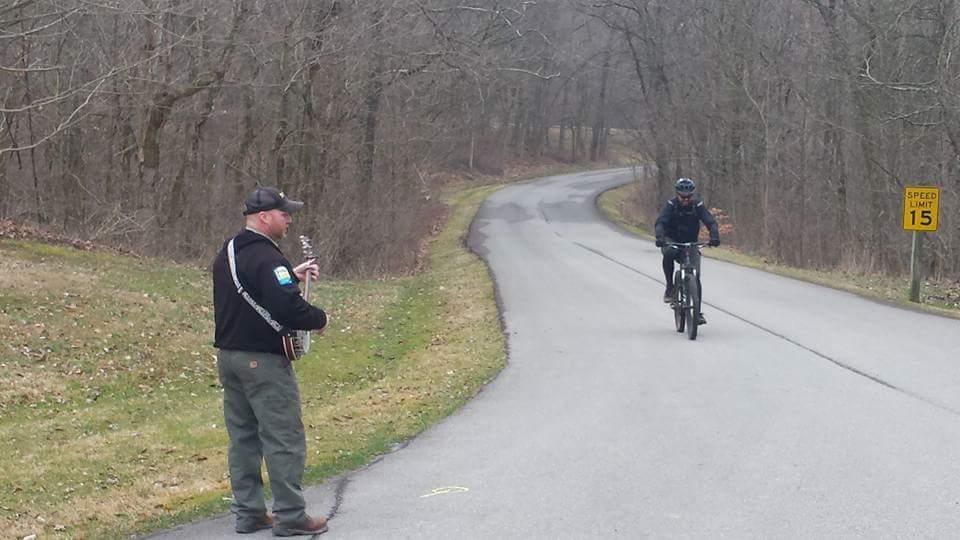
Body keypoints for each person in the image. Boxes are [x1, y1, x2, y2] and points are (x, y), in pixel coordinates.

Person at [211, 186, 329, 536]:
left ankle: (249, 513)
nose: (289, 218)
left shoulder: (229, 251)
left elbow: (247, 288)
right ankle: (291, 516)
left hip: (230, 359)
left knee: (243, 438)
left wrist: (290, 275)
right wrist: (319, 318)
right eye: (283, 213)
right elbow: (287, 308)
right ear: (264, 217)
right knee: (283, 437)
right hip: (262, 362)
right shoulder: (268, 257)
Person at [654, 177, 720, 324]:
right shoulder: (671, 205)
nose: (685, 200)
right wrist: (660, 237)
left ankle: (697, 313)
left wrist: (714, 236)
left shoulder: (697, 205)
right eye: (682, 197)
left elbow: (710, 221)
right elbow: (660, 222)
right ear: (677, 194)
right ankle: (670, 287)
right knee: (669, 252)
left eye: (688, 197)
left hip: (691, 243)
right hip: (672, 240)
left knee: (695, 277)